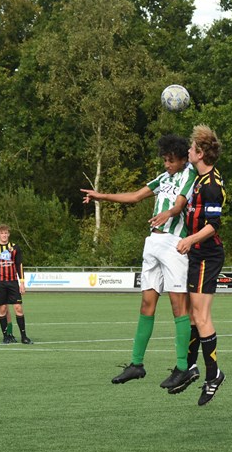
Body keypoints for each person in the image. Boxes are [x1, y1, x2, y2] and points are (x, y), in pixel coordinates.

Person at [81, 134, 197, 391]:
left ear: (182, 159)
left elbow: (179, 205)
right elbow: (135, 196)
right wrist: (102, 196)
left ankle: (182, 366)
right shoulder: (163, 178)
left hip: (175, 243)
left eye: (171, 160)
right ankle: (136, 364)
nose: (167, 164)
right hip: (153, 243)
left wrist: (168, 213)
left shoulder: (189, 174)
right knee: (146, 303)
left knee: (178, 306)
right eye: (165, 160)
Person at [175, 124, 227, 405]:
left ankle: (213, 374)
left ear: (201, 153)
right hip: (197, 255)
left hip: (207, 254)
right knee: (194, 316)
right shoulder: (198, 179)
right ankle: (190, 367)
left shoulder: (212, 185)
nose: (188, 151)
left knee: (202, 316)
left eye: (192, 148)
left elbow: (213, 225)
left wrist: (190, 239)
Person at [0, 224, 32, 344]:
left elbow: (19, 265)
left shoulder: (15, 247)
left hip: (13, 282)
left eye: (6, 233)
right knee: (2, 309)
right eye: (2, 233)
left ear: (9, 234)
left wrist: (22, 282)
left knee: (18, 308)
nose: (4, 235)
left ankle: (24, 336)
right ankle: (5, 336)